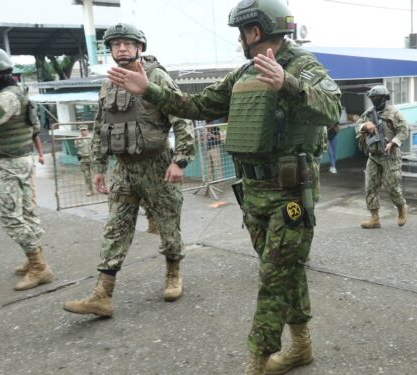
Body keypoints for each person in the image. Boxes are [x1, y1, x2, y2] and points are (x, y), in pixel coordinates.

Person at [105, 1, 341, 373]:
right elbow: (197, 104)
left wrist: (288, 84)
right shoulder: (244, 72)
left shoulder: (303, 65)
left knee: (273, 275)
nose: (240, 39)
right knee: (282, 270)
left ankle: (257, 360)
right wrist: (149, 90)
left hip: (291, 192)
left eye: (241, 32)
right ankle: (301, 346)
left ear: (256, 31)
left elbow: (333, 107)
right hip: (254, 191)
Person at [63, 23, 194, 317]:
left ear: (139, 47)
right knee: (116, 227)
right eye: (115, 44)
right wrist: (98, 166)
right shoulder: (109, 82)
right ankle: (102, 294)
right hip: (123, 169)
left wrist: (180, 160)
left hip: (157, 165)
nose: (121, 48)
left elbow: (182, 117)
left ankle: (173, 272)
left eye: (127, 43)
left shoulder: (156, 75)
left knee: (169, 225)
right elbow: (101, 126)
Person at [0, 47, 53, 291]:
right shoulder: (17, 91)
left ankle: (39, 267)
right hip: (21, 159)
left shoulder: (7, 96)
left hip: (9, 163)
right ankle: (33, 259)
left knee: (10, 217)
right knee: (27, 212)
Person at [355, 85, 409, 229]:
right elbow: (357, 125)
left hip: (390, 156)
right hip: (373, 156)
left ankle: (401, 207)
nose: (375, 101)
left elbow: (404, 130)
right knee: (370, 187)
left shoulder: (394, 113)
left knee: (392, 186)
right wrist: (365, 126)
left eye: (378, 98)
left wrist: (393, 142)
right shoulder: (368, 113)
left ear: (385, 98)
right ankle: (374, 218)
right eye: (373, 99)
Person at [73, 125, 94, 196]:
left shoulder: (92, 137)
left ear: (87, 130)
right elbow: (77, 148)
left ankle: (102, 188)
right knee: (87, 175)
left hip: (92, 158)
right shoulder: (77, 139)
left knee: (98, 173)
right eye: (82, 130)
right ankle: (90, 190)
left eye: (84, 130)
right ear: (80, 131)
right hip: (83, 159)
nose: (83, 131)